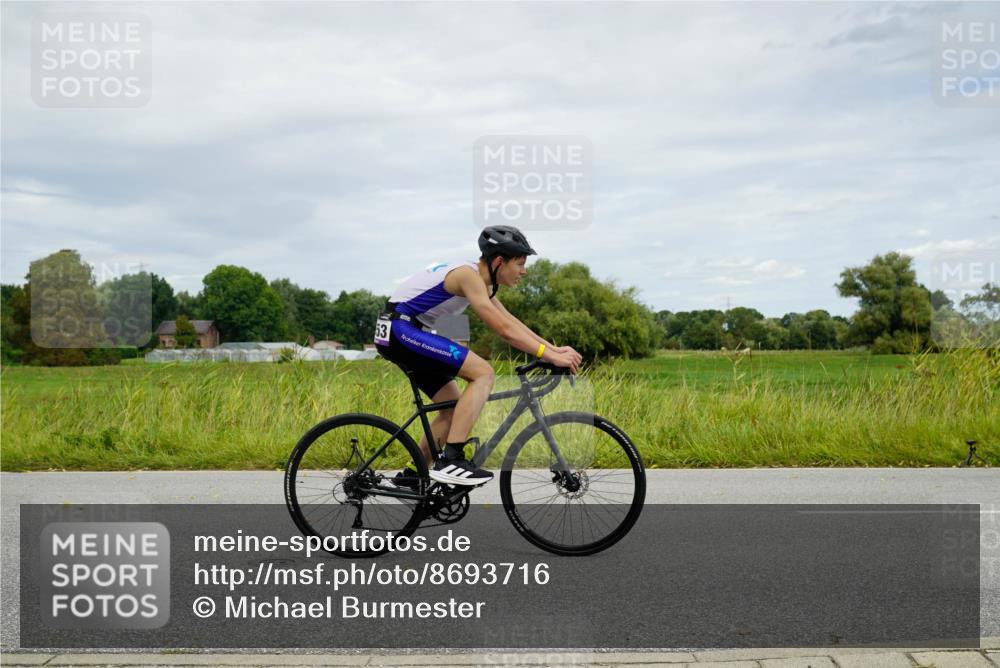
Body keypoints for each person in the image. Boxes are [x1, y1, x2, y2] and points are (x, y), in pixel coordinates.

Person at [374, 225, 582, 487]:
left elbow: (510, 321)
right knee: (483, 373)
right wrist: (548, 355)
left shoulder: (482, 282)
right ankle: (452, 459)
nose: (524, 271)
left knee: (451, 407)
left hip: (403, 331)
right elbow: (504, 331)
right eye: (520, 263)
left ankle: (413, 476)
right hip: (401, 329)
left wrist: (553, 351)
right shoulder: (468, 276)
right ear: (498, 262)